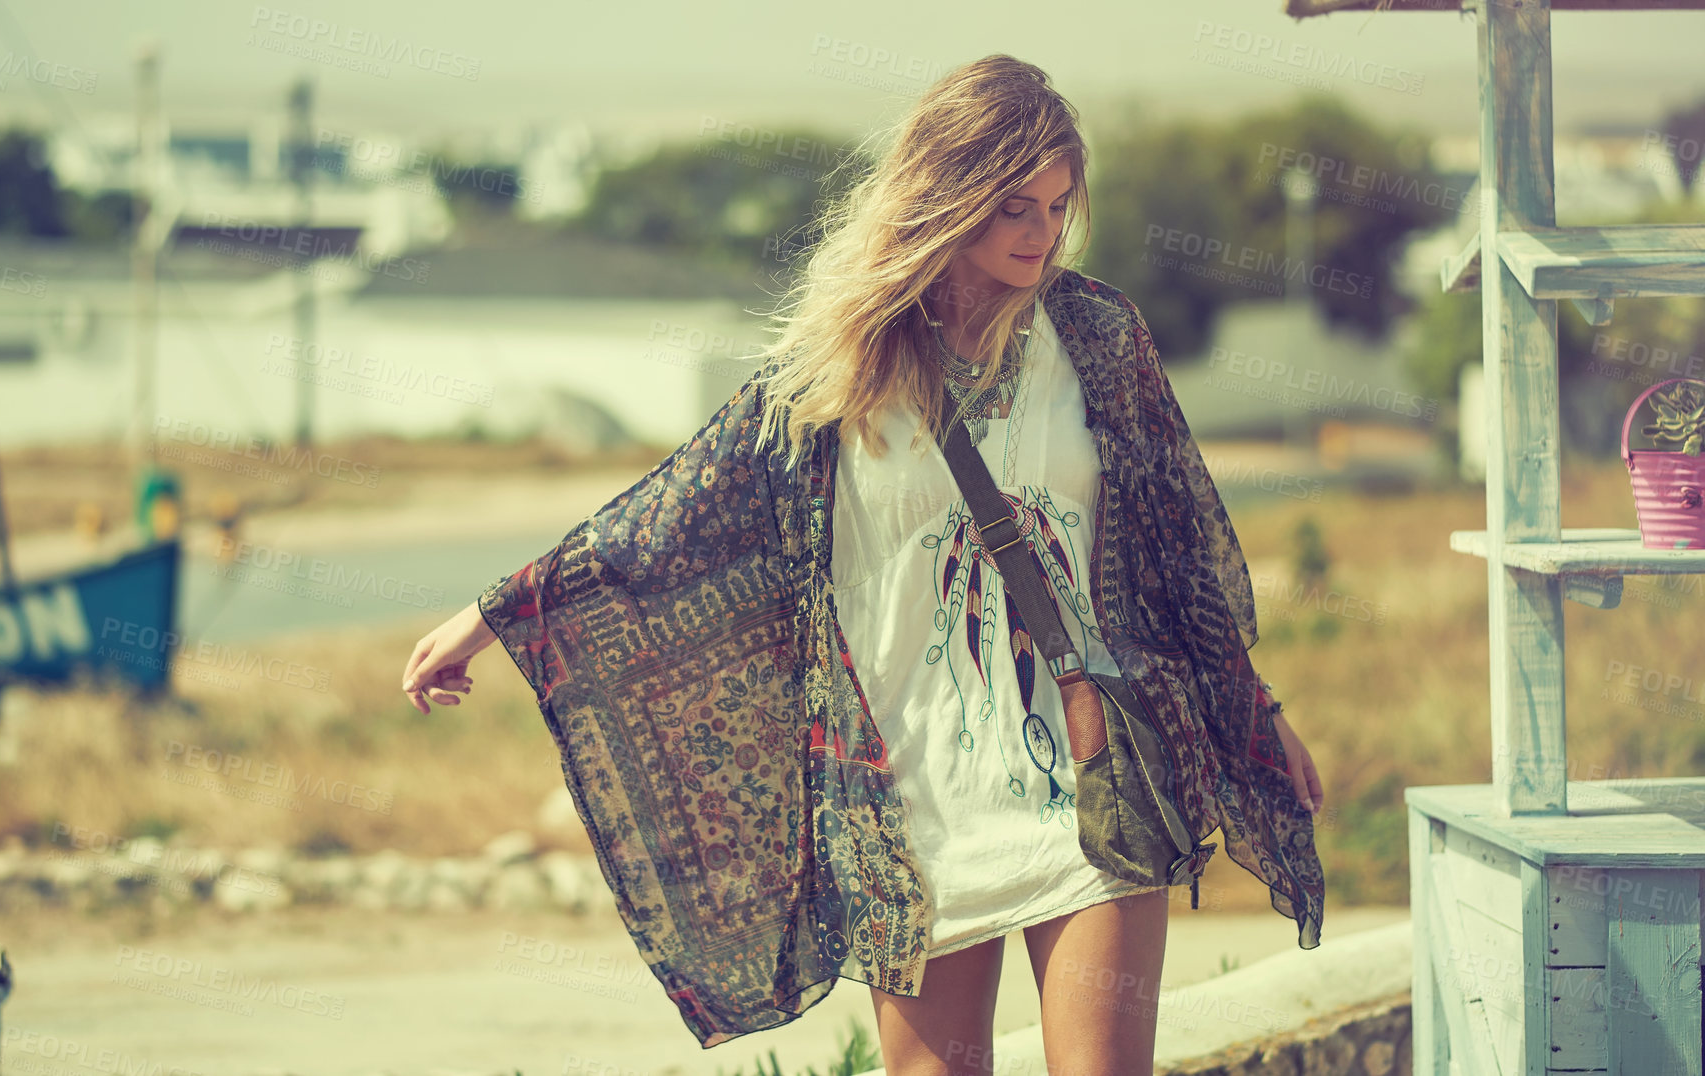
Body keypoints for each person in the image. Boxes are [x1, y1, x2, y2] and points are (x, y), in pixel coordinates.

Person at [403, 54, 1325, 1076]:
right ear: (944, 193)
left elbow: (1176, 542)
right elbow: (667, 516)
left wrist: (1255, 707)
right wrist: (491, 614)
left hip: (1091, 771)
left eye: (1058, 205)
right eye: (1012, 204)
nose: (1039, 234)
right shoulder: (847, 359)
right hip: (911, 800)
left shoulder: (1098, 335)